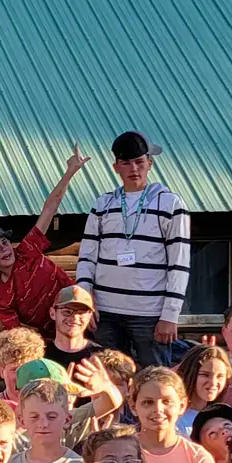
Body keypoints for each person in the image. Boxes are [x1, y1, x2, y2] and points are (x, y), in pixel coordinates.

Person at [74, 132, 191, 368]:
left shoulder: (170, 204)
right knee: (108, 378)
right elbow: (87, 255)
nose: (134, 169)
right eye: (126, 163)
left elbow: (179, 263)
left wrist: (170, 315)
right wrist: (86, 301)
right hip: (105, 311)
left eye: (139, 162)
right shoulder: (103, 204)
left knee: (155, 378)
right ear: (116, 166)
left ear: (150, 162)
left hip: (149, 313)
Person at [0, 147, 92, 332]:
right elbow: (17, 332)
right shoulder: (0, 296)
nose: (3, 249)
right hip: (51, 340)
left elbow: (50, 207)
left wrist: (70, 172)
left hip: (83, 316)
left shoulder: (27, 250)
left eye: (5, 242)